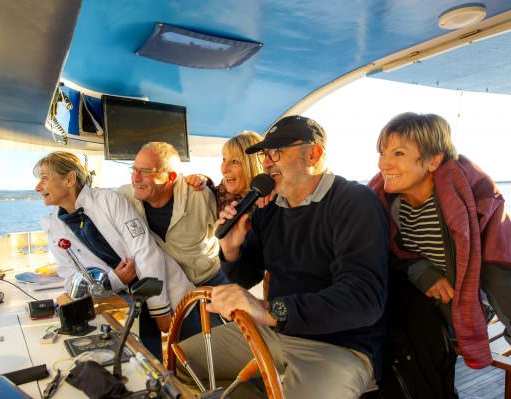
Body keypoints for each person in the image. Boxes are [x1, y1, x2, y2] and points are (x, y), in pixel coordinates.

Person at [179, 116, 390, 399]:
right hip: (273, 332)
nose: (266, 163)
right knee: (180, 364)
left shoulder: (354, 202)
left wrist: (268, 310)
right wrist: (231, 250)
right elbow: (248, 275)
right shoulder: (270, 209)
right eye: (265, 154)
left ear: (313, 154)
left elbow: (362, 299)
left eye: (276, 152)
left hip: (339, 345)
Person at [368, 112, 511, 396]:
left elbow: (500, 265)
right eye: (382, 152)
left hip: (462, 306)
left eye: (398, 153)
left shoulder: (473, 197)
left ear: (434, 160)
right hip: (411, 298)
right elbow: (379, 256)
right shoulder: (381, 200)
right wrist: (419, 271)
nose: (384, 163)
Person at [34, 151, 194, 359]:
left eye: (44, 178)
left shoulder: (109, 201)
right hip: (125, 303)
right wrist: (115, 280)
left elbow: (146, 252)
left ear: (70, 179)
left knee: (196, 352)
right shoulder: (55, 228)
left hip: (163, 289)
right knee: (147, 363)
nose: (38, 187)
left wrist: (160, 309)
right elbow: (71, 281)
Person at [117, 142, 227, 287]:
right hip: (168, 287)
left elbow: (228, 233)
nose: (135, 178)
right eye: (134, 169)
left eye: (145, 171)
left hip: (210, 281)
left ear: (171, 177)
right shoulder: (123, 199)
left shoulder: (199, 195)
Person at [186, 131, 264, 214]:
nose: (224, 169)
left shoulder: (272, 203)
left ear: (253, 165)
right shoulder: (222, 192)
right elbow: (210, 191)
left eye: (234, 161)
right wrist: (202, 180)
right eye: (224, 160)